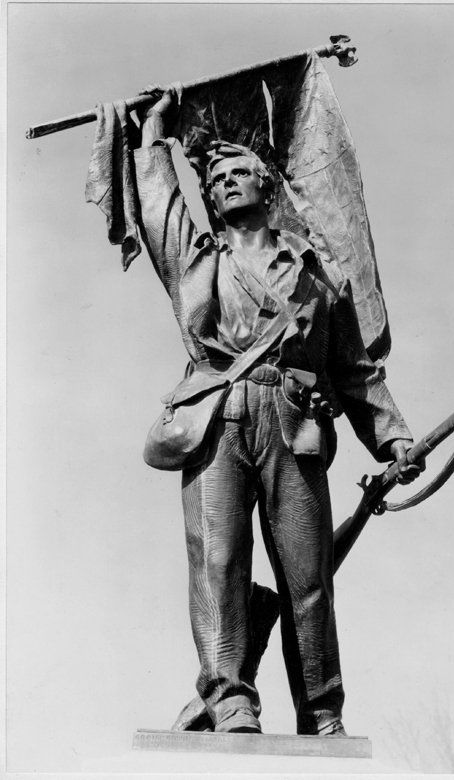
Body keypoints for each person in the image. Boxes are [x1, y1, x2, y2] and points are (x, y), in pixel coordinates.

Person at [133, 86, 425, 736]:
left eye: (241, 173)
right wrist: (153, 137)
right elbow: (158, 206)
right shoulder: (198, 261)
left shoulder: (318, 278)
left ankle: (323, 714)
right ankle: (230, 701)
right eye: (216, 178)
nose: (227, 182)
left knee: (309, 577)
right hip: (218, 423)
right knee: (219, 566)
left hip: (295, 425)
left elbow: (353, 372)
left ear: (267, 188)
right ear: (209, 199)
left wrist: (394, 439)